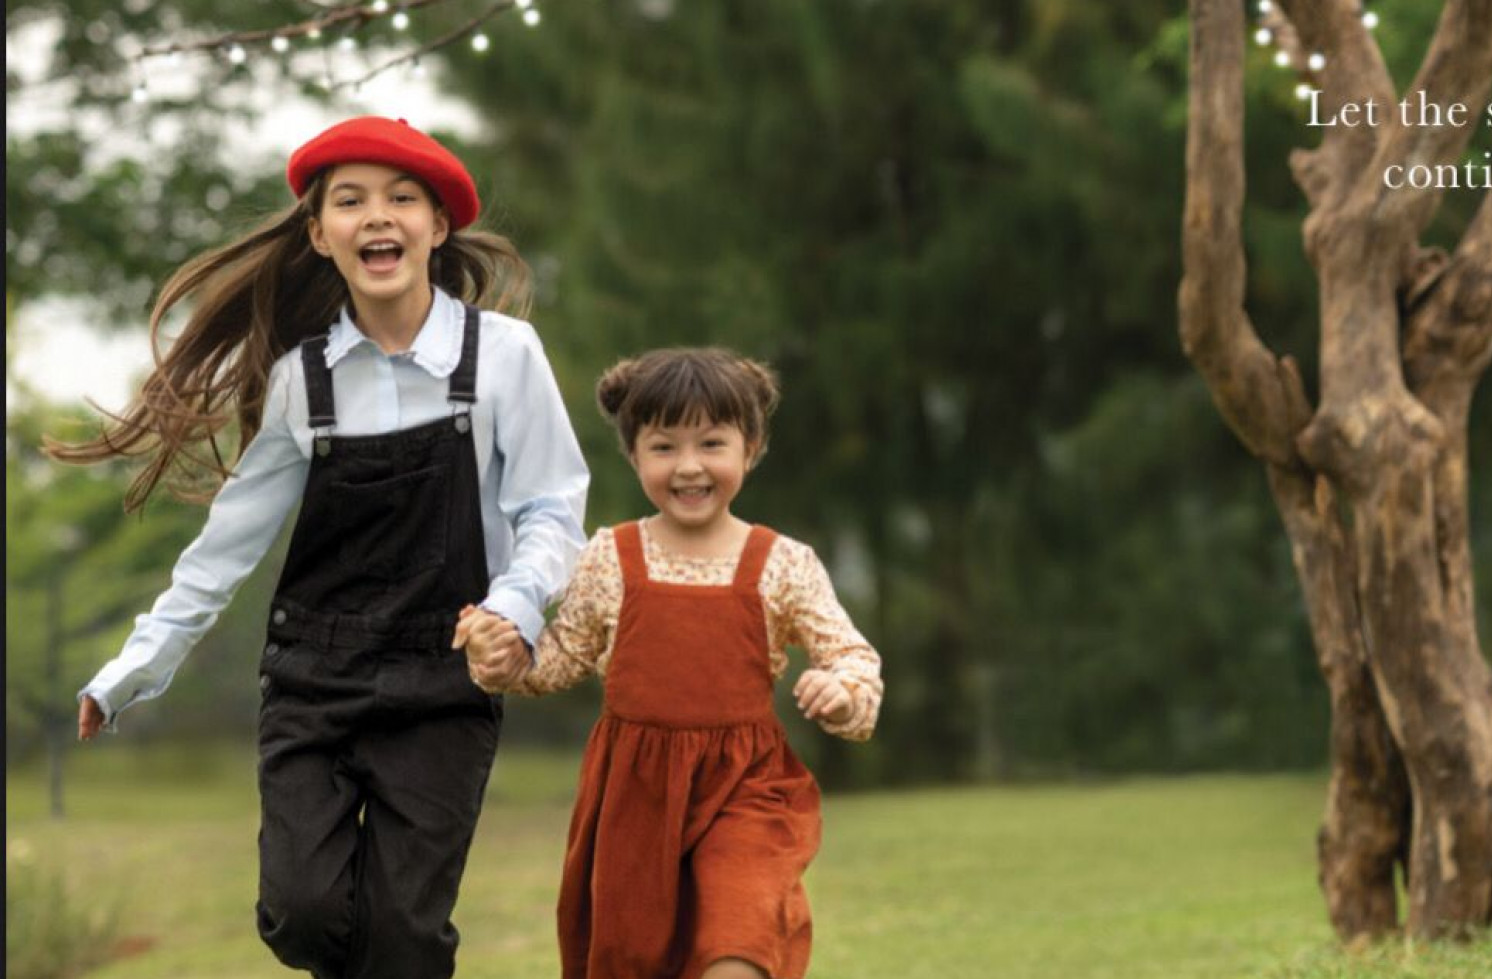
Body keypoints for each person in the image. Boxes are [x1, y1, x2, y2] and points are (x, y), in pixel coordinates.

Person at [51, 115, 588, 978]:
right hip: (314, 680)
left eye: (402, 198)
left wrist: (513, 609)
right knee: (302, 917)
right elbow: (226, 544)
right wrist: (133, 669)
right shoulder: (305, 379)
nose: (378, 216)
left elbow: (554, 510)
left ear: (438, 225)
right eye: (351, 201)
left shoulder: (504, 356)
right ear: (319, 233)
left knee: (404, 938)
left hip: (442, 686)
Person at [453, 347, 883, 979]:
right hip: (634, 800)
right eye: (664, 447)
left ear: (751, 447)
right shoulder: (608, 558)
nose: (688, 467)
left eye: (711, 443)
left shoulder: (783, 563)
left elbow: (851, 655)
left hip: (747, 792)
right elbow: (556, 663)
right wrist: (501, 653)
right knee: (634, 961)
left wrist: (842, 691)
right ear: (633, 452)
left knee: (743, 937)